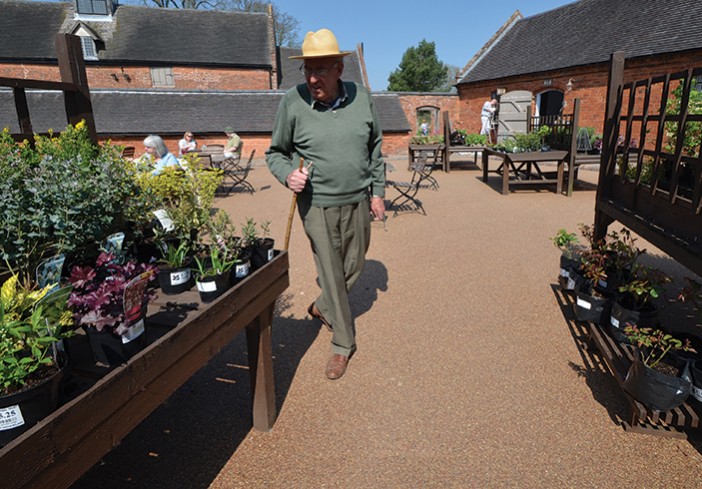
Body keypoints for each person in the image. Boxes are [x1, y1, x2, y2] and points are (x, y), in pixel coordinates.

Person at [266, 28, 385, 380]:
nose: (313, 78)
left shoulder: (362, 97)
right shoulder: (293, 101)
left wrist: (377, 192)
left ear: (339, 69)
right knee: (332, 271)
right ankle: (342, 345)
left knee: (354, 267)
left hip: (358, 200)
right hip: (316, 204)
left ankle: (321, 306)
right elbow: (276, 153)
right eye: (307, 70)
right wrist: (288, 174)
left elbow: (375, 147)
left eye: (320, 70)